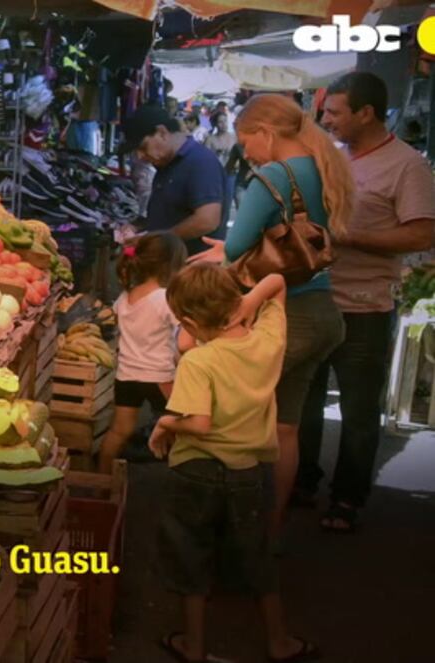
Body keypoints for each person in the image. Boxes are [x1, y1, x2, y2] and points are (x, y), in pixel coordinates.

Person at [188, 94, 352, 534]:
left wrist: (227, 251)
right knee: (284, 428)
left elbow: (241, 243)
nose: (248, 154)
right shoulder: (325, 167)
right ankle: (270, 530)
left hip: (285, 316)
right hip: (322, 311)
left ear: (265, 132)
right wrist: (231, 249)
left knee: (234, 424)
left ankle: (236, 531)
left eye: (247, 143)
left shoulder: (274, 176)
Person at [151, 265, 318, 663]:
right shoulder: (268, 342)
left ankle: (194, 645)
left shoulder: (198, 362)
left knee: (191, 554)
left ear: (191, 323)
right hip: (250, 473)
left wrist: (164, 424)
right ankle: (279, 642)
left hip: (196, 472)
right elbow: (277, 281)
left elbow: (199, 424)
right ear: (235, 301)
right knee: (258, 556)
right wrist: (251, 299)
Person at [298, 72, 435, 532]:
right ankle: (303, 480)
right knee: (304, 401)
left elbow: (422, 234)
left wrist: (350, 238)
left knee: (357, 411)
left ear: (366, 113)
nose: (326, 120)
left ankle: (347, 498)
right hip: (316, 298)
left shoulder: (407, 166)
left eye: (335, 112)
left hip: (366, 307)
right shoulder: (333, 159)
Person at [97, 232, 187, 473]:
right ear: (170, 265)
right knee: (182, 428)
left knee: (119, 431)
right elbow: (185, 335)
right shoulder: (165, 299)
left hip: (126, 376)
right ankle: (178, 478)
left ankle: (101, 481)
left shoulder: (125, 297)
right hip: (160, 376)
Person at [118, 104, 226, 256]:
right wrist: (138, 226)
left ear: (162, 133)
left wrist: (157, 239)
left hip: (191, 264)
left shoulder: (200, 162)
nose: (140, 156)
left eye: (143, 147)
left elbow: (207, 220)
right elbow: (170, 214)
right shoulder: (167, 164)